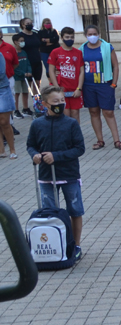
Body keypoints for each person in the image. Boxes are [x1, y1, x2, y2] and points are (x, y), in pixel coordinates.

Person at [27, 85, 85, 251]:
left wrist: (56, 156)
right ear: (45, 104)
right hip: (46, 176)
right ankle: (55, 245)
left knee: (75, 210)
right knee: (49, 212)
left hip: (69, 175)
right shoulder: (37, 124)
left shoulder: (71, 123)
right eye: (55, 101)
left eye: (62, 100)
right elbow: (31, 145)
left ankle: (75, 245)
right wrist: (35, 155)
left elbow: (79, 148)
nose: (60, 104)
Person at [80, 26, 121, 151]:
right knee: (94, 112)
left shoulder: (107, 47)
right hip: (88, 86)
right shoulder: (82, 49)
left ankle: (117, 140)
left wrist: (114, 84)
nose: (92, 36)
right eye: (90, 34)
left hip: (105, 85)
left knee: (108, 112)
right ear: (86, 35)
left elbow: (115, 66)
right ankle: (100, 140)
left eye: (94, 33)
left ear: (99, 34)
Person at [47, 27, 85, 124]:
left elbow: (82, 71)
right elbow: (51, 70)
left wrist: (79, 88)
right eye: (67, 37)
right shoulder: (55, 52)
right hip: (62, 89)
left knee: (75, 114)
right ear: (62, 38)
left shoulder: (78, 53)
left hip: (74, 90)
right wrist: (57, 88)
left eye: (72, 37)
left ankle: (76, 133)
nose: (70, 39)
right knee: (65, 114)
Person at [0, 36, 16, 158]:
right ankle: (1, 150)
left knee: (4, 121)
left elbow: (1, 73)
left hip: (2, 89)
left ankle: (12, 150)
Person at [14, 18, 43, 84]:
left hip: (37, 61)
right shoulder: (20, 36)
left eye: (31, 23)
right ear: (23, 25)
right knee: (29, 83)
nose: (30, 25)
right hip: (27, 62)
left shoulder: (36, 35)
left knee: (37, 82)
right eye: (28, 23)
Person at [11, 36, 31, 119]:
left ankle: (25, 109)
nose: (23, 42)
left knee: (25, 92)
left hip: (25, 77)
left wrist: (29, 71)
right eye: (21, 41)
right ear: (16, 42)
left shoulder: (24, 52)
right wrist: (22, 73)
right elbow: (14, 66)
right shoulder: (13, 52)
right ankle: (16, 110)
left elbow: (28, 63)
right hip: (17, 77)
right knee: (17, 93)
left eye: (23, 40)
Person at [38, 18, 59, 83]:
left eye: (49, 23)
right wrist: (50, 41)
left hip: (54, 50)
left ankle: (57, 80)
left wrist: (45, 40)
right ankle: (51, 82)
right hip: (44, 51)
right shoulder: (40, 32)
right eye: (47, 23)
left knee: (56, 66)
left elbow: (56, 40)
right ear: (43, 24)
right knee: (47, 66)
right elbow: (40, 42)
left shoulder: (54, 31)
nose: (48, 24)